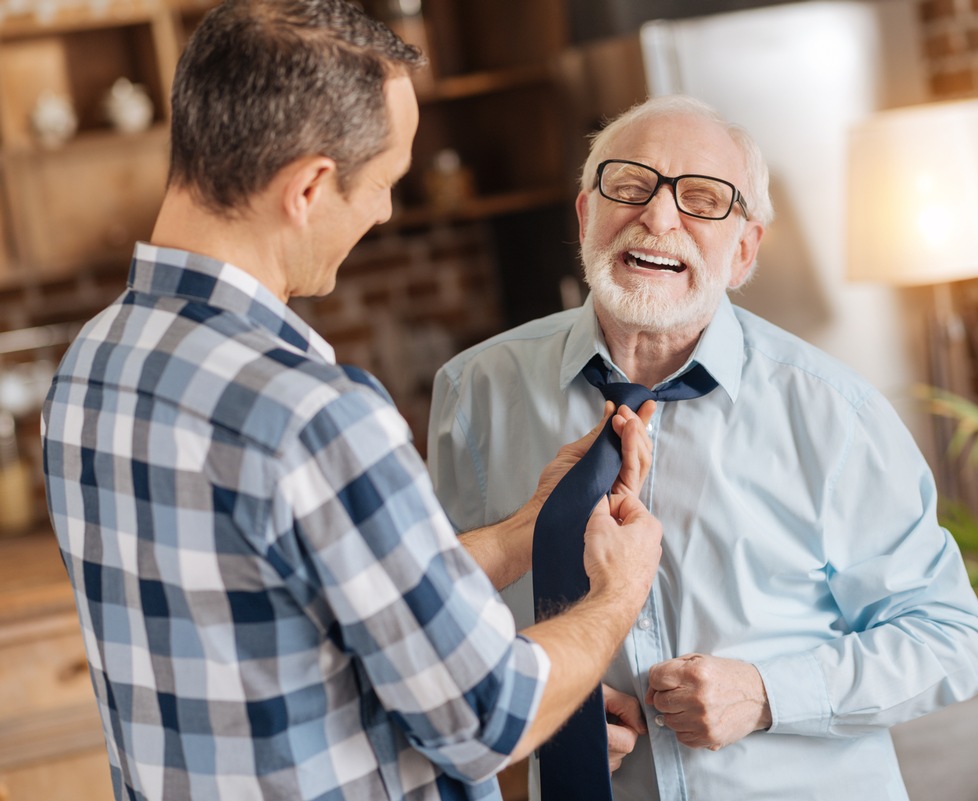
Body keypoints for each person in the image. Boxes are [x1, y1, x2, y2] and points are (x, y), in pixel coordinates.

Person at [40, 2, 664, 799]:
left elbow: (311, 602)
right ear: (308, 187)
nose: (386, 210)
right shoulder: (312, 413)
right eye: (384, 182)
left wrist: (519, 532)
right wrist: (619, 594)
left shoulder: (91, 365)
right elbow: (487, 716)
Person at [428, 94, 978, 800]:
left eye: (702, 198)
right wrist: (544, 714)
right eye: (629, 186)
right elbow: (442, 619)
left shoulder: (833, 413)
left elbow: (950, 638)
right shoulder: (474, 391)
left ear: (745, 250)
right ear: (585, 216)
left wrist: (765, 694)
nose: (658, 218)